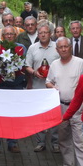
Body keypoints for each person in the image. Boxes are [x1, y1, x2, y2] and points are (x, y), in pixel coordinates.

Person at [46, 37, 83, 166]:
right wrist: (53, 87)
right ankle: (68, 164)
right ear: (56, 50)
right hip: (61, 107)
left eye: (66, 46)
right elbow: (48, 81)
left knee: (80, 139)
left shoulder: (80, 63)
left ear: (70, 47)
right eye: (61, 47)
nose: (64, 49)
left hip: (77, 107)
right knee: (63, 137)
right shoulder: (54, 64)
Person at [0, 26, 25, 155]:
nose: (9, 36)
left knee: (13, 116)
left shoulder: (21, 48)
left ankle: (12, 142)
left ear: (15, 35)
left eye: (11, 34)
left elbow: (24, 66)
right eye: (6, 34)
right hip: (1, 86)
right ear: (2, 36)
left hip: (16, 86)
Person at [25, 21, 60, 152]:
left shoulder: (57, 47)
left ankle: (56, 142)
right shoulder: (32, 48)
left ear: (50, 34)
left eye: (45, 32)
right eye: (40, 33)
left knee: (54, 115)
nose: (43, 35)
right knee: (39, 115)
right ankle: (40, 142)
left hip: (54, 88)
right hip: (38, 87)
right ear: (37, 35)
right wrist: (34, 72)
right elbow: (27, 65)